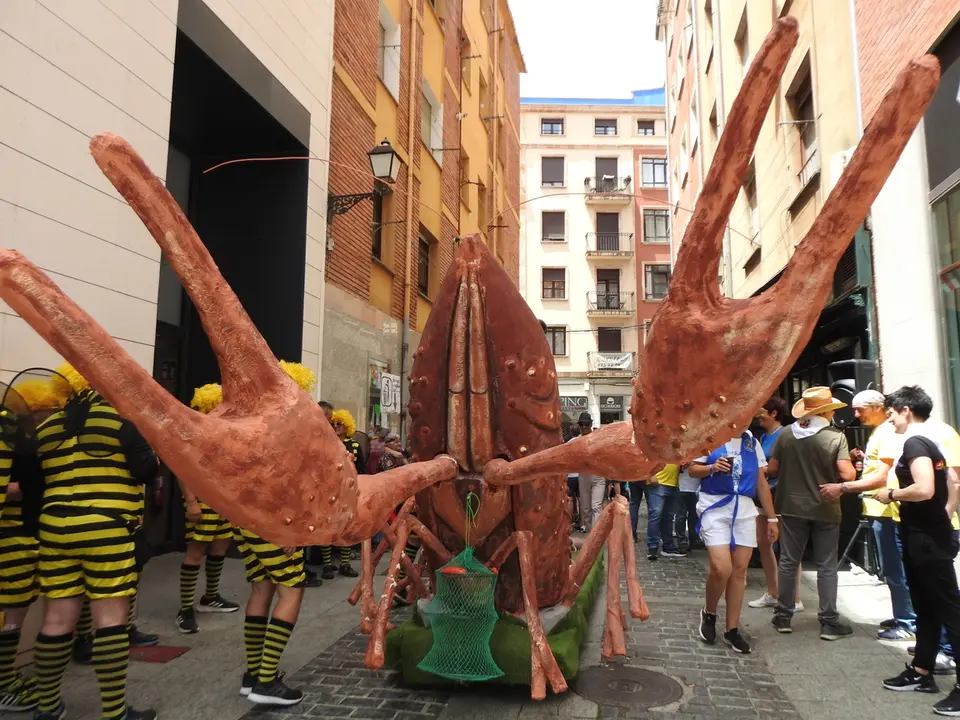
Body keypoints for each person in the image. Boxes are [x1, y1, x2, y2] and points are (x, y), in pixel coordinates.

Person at [32, 366, 158, 720]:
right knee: (110, 619)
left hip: (54, 527)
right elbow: (147, 470)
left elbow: (32, 482)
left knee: (56, 620)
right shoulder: (121, 421)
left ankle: (47, 708)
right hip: (107, 527)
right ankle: (114, 712)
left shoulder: (48, 426)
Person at [878, 386, 960, 717]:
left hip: (925, 538)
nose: (889, 420)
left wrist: (893, 495)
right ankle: (922, 672)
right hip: (926, 535)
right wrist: (947, 515)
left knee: (949, 609)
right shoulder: (931, 440)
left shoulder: (914, 442)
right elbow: (952, 483)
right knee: (926, 606)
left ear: (907, 410)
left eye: (892, 414)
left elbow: (925, 488)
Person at [768, 387, 856, 640]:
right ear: (826, 411)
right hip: (825, 506)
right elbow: (848, 475)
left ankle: (783, 616)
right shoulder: (835, 436)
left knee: (788, 561)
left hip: (791, 505)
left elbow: (773, 467)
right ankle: (828, 621)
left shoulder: (786, 434)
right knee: (826, 565)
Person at [828, 390, 913, 640]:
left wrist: (844, 487)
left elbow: (882, 475)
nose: (856, 415)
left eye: (860, 409)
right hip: (879, 509)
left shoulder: (887, 432)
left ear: (877, 407)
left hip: (887, 510)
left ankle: (908, 621)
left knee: (896, 569)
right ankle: (903, 615)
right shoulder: (882, 432)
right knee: (893, 569)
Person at [689, 430, 778, 654]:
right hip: (715, 507)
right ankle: (709, 612)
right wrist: (712, 467)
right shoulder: (710, 435)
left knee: (739, 570)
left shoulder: (752, 443)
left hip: (744, 509)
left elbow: (761, 483)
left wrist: (772, 517)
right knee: (722, 568)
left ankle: (732, 629)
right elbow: (691, 469)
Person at [175, 383, 242, 634]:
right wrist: (191, 501)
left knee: (220, 546)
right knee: (195, 552)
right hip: (201, 501)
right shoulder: (193, 432)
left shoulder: (225, 433)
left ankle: (209, 597)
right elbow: (182, 467)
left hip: (222, 501)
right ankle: (185, 609)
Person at [748, 397, 803, 612]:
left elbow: (779, 467)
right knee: (763, 542)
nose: (758, 416)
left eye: (762, 412)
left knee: (788, 547)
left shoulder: (786, 434)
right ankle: (773, 591)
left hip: (781, 494)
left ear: (773, 413)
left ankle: (794, 597)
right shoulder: (763, 436)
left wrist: (758, 470)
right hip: (764, 494)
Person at [317, 409, 361, 580]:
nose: (336, 427)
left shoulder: (354, 445)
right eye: (334, 424)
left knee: (346, 529)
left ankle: (345, 563)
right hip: (328, 491)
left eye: (339, 424)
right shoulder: (326, 443)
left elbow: (361, 467)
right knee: (327, 528)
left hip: (347, 491)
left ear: (347, 426)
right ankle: (327, 564)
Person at [646, 463, 685, 561]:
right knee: (656, 514)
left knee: (668, 517)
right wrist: (650, 475)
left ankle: (668, 546)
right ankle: (653, 547)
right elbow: (647, 458)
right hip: (658, 482)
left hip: (673, 483)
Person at [575, 413, 605, 531]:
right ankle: (590, 535)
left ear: (591, 424)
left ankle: (596, 535)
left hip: (598, 475)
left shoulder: (598, 438)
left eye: (586, 424)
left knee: (596, 506)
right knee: (586, 508)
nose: (584, 427)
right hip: (584, 475)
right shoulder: (577, 441)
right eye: (581, 424)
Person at [674, 463, 702, 552]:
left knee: (695, 515)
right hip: (681, 486)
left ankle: (695, 539)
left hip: (697, 488)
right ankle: (682, 541)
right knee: (681, 515)